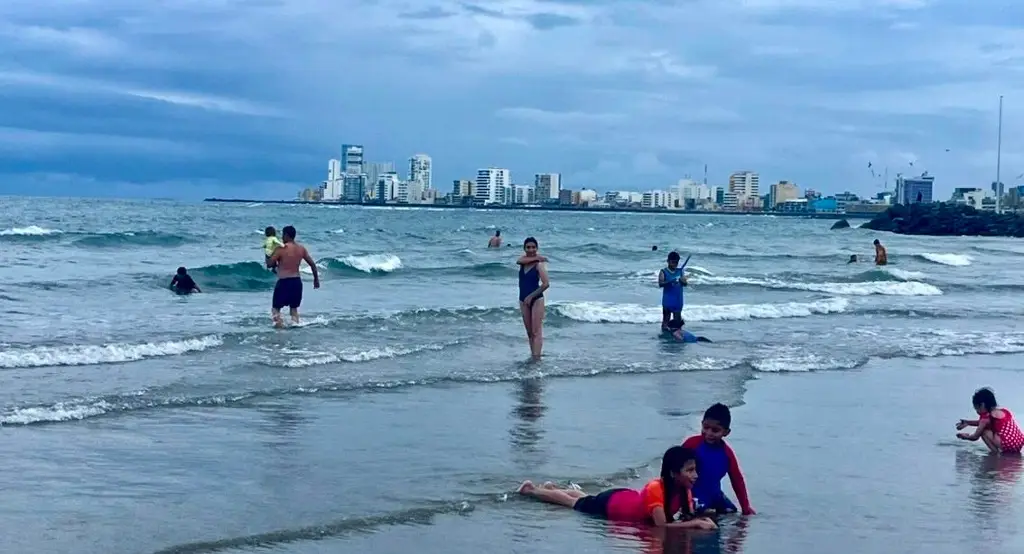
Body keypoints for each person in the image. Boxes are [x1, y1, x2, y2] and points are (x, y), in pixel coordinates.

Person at [516, 446, 717, 529]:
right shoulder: (657, 488)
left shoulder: (684, 491)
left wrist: (702, 517)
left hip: (623, 498)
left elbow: (685, 517)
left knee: (586, 498)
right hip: (612, 505)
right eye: (690, 470)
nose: (695, 475)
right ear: (674, 473)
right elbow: (661, 526)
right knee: (574, 502)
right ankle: (532, 490)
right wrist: (695, 524)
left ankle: (552, 488)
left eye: (695, 470)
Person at [681, 403, 756, 516]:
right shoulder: (692, 444)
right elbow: (673, 465)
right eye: (706, 427)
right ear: (701, 424)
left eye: (715, 430)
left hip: (716, 497)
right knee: (704, 517)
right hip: (693, 496)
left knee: (733, 513)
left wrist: (745, 508)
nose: (709, 433)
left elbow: (737, 480)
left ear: (726, 432)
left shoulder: (727, 454)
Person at [267, 225, 320, 328]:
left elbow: (269, 264)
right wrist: (316, 280)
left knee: (275, 309)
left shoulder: (281, 249)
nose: (282, 237)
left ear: (286, 235)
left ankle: (279, 332)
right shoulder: (301, 249)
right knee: (294, 310)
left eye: (283, 235)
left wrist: (268, 252)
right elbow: (312, 264)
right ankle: (295, 331)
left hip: (284, 282)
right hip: (296, 282)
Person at [957, 387, 1024, 455]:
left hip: (1008, 444)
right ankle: (1006, 452)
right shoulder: (1004, 411)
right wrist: (967, 422)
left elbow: (975, 437)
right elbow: (982, 423)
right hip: (1019, 442)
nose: (977, 412)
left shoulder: (985, 419)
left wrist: (965, 437)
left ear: (982, 405)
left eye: (977, 409)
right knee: (990, 429)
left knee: (983, 432)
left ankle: (995, 452)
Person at [516, 237, 549, 359]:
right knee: (529, 332)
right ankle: (533, 355)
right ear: (524, 248)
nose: (531, 249)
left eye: (533, 247)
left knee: (536, 331)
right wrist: (537, 257)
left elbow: (546, 284)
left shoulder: (538, 265)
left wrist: (531, 296)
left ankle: (537, 358)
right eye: (528, 247)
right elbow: (518, 260)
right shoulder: (522, 262)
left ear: (537, 248)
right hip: (523, 298)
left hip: (536, 299)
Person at [658, 251, 687, 331]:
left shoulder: (680, 271)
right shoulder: (663, 272)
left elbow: (685, 284)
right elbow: (660, 284)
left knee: (677, 321)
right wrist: (670, 281)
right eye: (673, 262)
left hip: (678, 300)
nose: (675, 264)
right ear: (668, 261)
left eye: (676, 262)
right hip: (668, 300)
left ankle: (677, 337)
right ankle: (664, 336)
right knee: (666, 320)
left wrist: (682, 281)